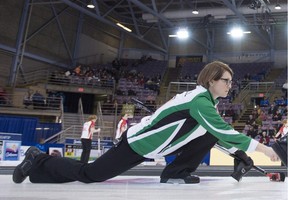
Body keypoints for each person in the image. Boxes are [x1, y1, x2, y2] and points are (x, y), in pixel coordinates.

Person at [13, 61, 281, 185]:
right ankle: (38, 160)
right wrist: (264, 150)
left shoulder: (206, 103)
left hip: (153, 147)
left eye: (232, 81)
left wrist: (240, 152)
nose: (230, 85)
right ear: (211, 80)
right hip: (139, 144)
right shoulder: (200, 102)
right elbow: (222, 130)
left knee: (208, 135)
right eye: (226, 80)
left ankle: (175, 174)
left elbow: (213, 133)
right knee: (90, 174)